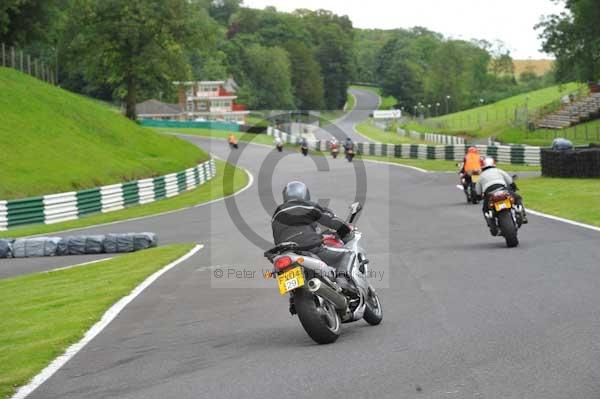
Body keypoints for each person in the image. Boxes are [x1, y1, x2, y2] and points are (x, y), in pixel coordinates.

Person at [271, 181, 354, 286]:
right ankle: (342, 280)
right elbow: (331, 221)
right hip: (309, 247)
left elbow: (277, 239)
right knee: (348, 254)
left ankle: (295, 296)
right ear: (305, 194)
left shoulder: (275, 216)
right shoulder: (307, 206)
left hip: (287, 253)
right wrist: (345, 231)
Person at [475, 157, 528, 232]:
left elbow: (478, 191)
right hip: (503, 190)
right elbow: (509, 180)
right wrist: (514, 187)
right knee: (518, 198)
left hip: (490, 194)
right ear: (493, 164)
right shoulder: (498, 171)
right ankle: (523, 215)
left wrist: (478, 197)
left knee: (485, 209)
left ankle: (491, 225)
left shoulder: (480, 176)